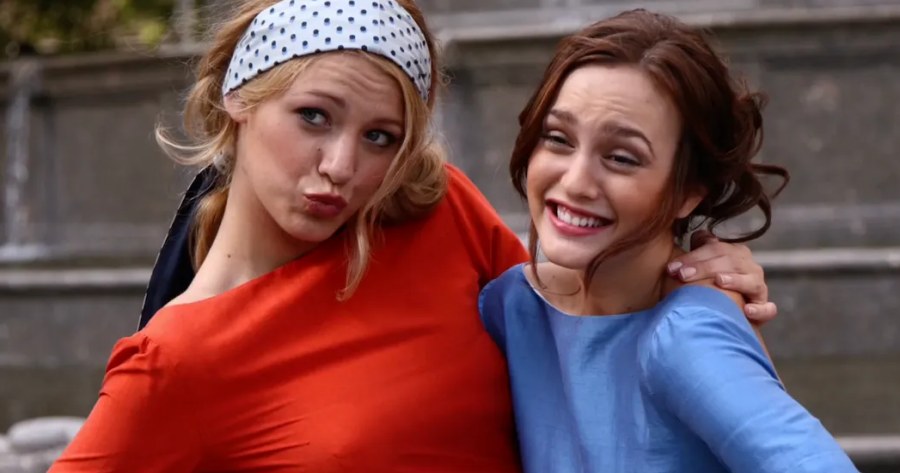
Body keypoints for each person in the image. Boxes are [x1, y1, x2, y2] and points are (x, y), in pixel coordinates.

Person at [52, 1, 777, 471]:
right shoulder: (177, 358)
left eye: (380, 137)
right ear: (238, 96)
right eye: (313, 117)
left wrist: (690, 284)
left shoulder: (441, 214)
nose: (341, 167)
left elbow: (582, 322)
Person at [480, 9, 857, 473]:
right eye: (558, 138)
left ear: (688, 192)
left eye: (622, 158)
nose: (575, 181)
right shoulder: (509, 307)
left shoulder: (687, 333)